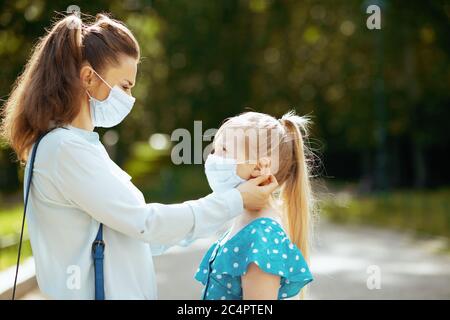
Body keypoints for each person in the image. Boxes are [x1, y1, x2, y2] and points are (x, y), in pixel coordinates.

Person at [0, 14, 277, 299]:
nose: (130, 98)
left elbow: (137, 234)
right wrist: (235, 201)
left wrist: (220, 212)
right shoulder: (64, 151)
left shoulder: (79, 146)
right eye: (124, 86)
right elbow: (146, 224)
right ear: (87, 78)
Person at [194, 111, 314, 300]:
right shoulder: (244, 224)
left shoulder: (262, 236)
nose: (213, 158)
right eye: (214, 150)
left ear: (258, 167)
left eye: (223, 150)